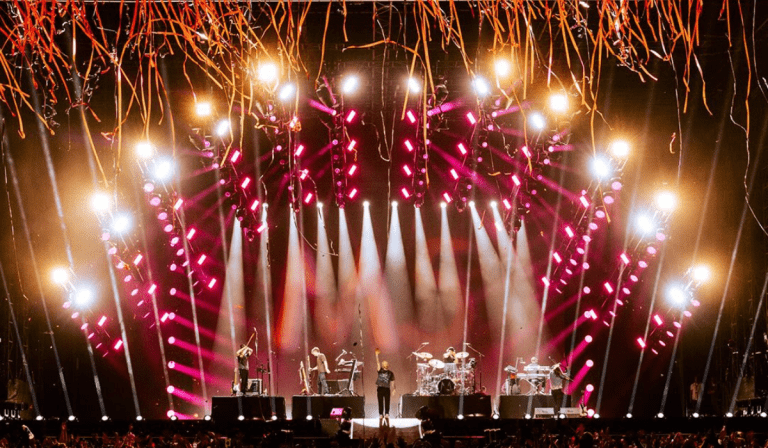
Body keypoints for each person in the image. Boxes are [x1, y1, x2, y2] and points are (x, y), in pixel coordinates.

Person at [375, 348, 396, 426]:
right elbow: (377, 363)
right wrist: (376, 355)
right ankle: (381, 414)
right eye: (384, 363)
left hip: (387, 388)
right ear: (383, 365)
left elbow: (393, 382)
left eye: (386, 363)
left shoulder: (390, 373)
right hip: (380, 388)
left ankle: (387, 413)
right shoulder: (380, 370)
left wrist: (394, 389)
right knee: (380, 401)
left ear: (387, 365)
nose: (385, 364)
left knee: (387, 401)